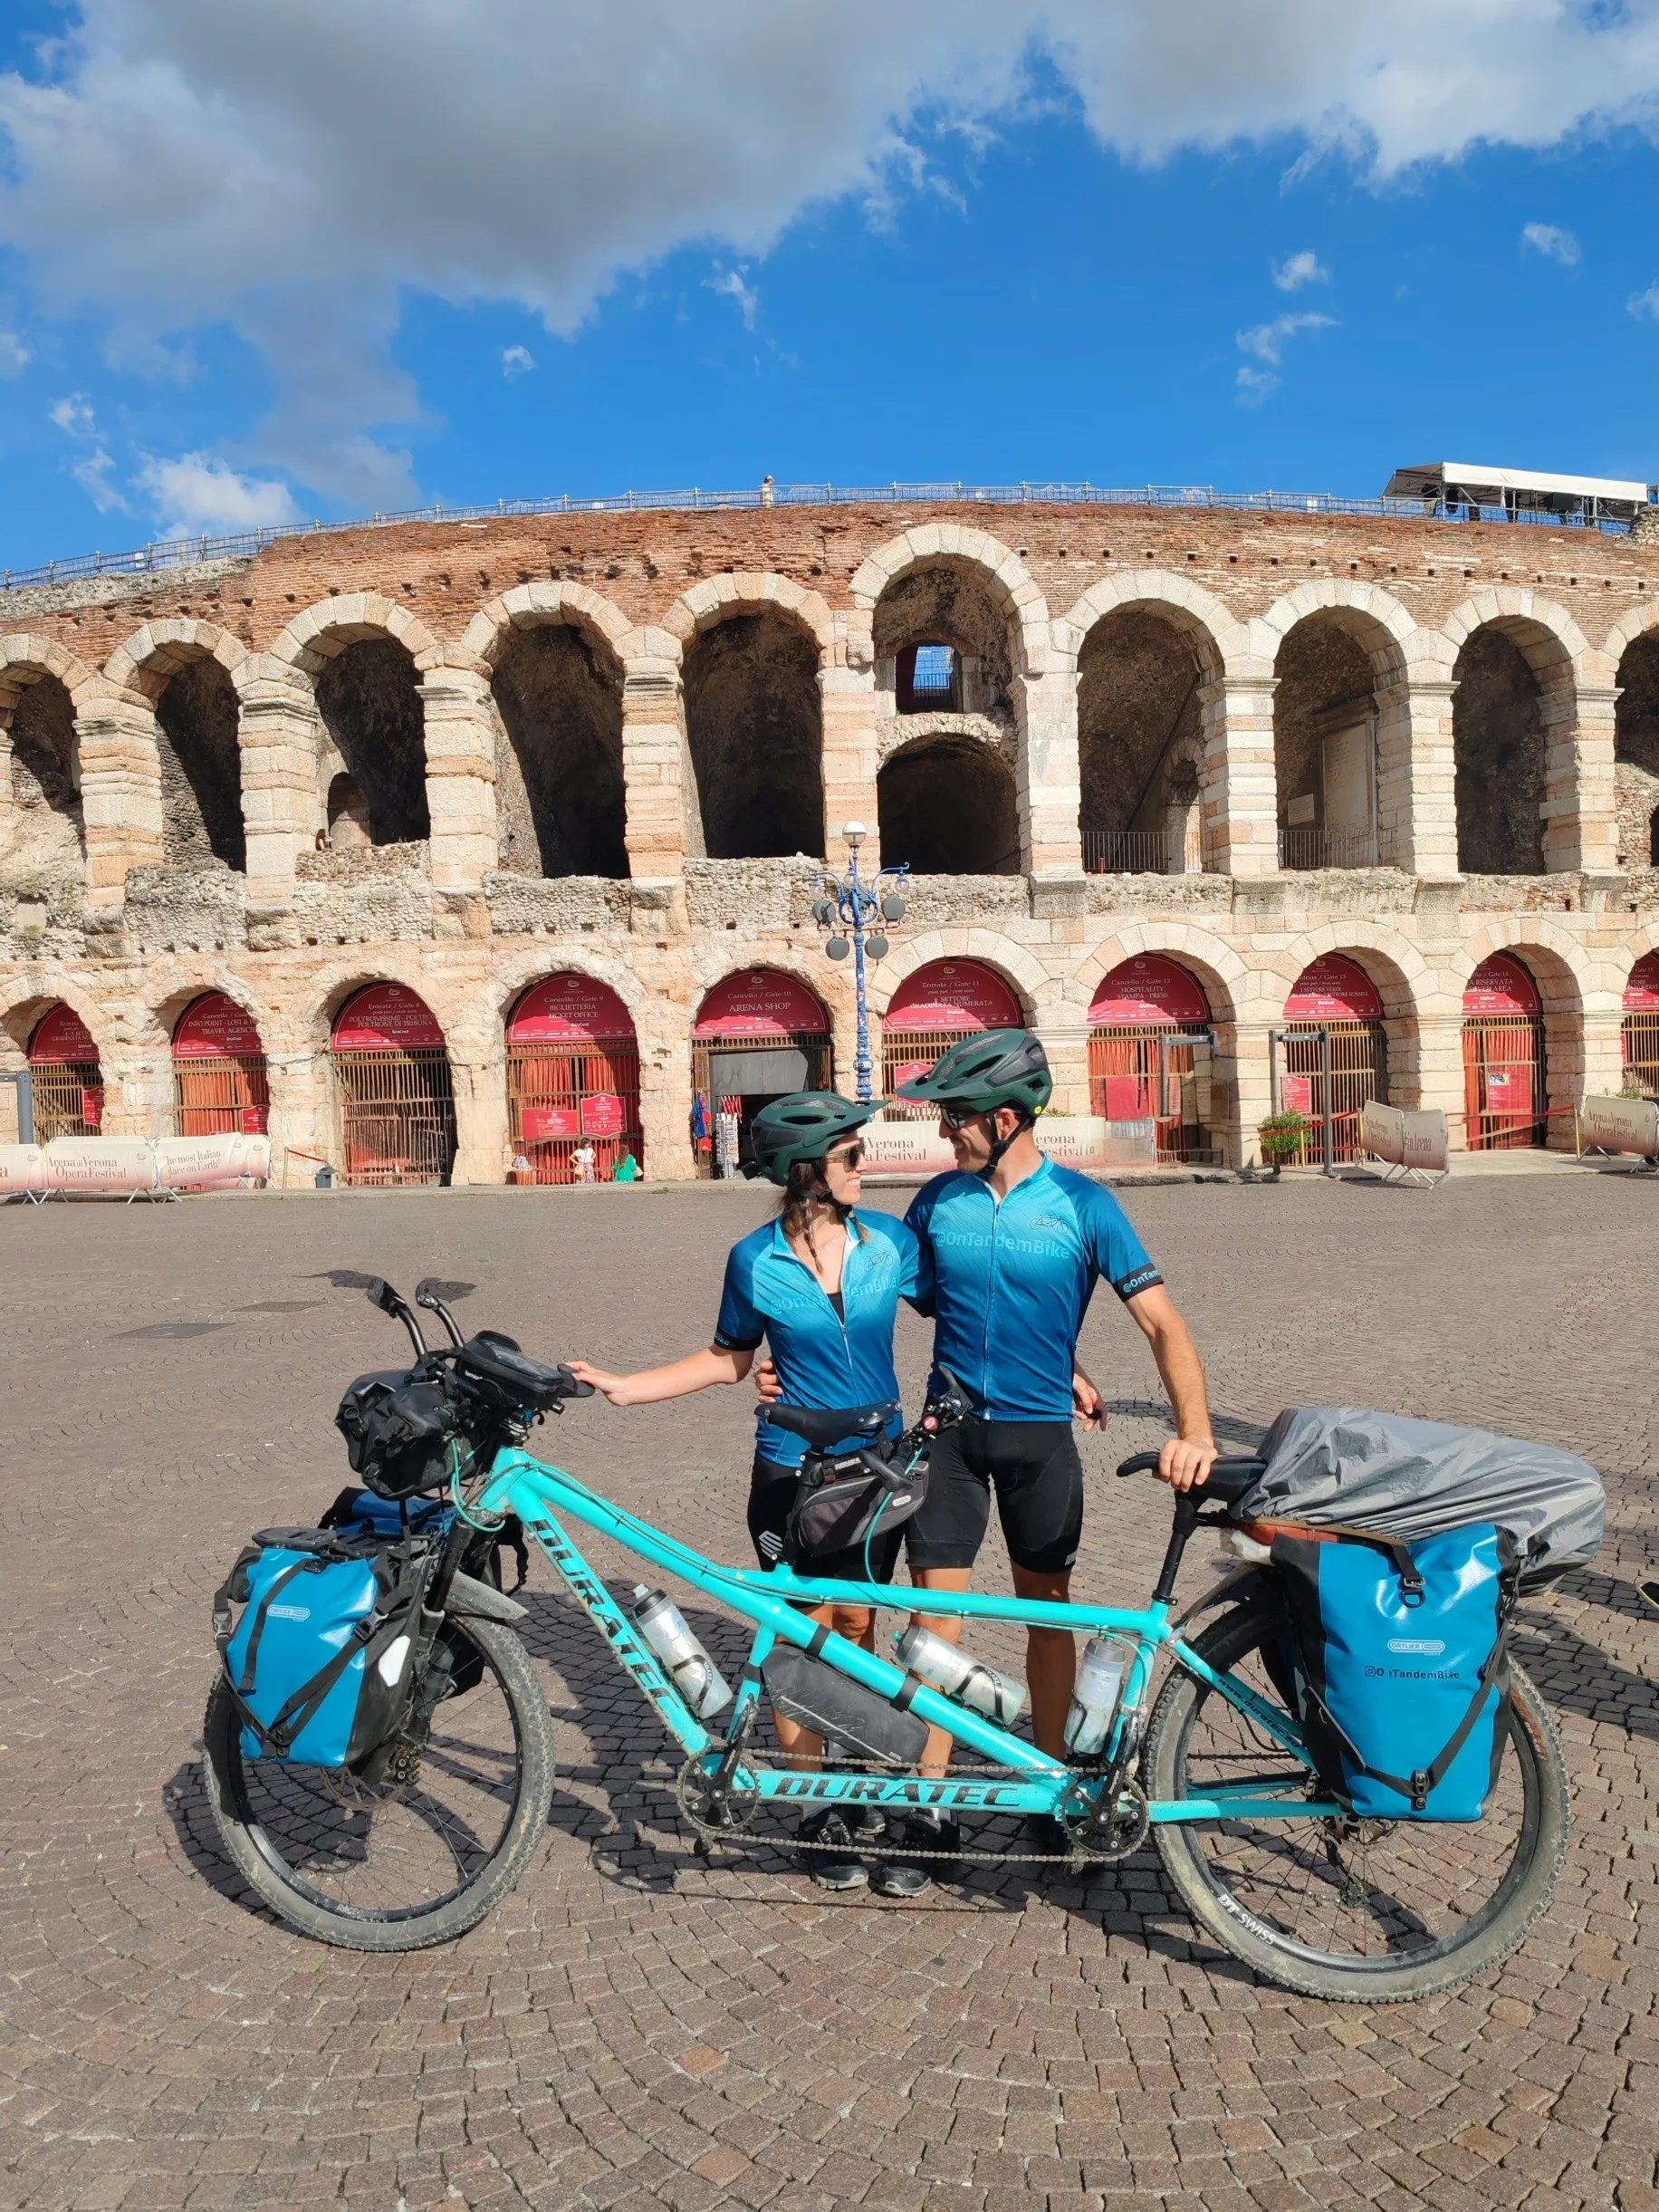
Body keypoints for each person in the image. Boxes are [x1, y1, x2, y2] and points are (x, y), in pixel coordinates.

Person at [570, 1091, 938, 1896]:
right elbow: (730, 1356)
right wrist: (630, 1388)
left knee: (857, 1627)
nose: (863, 1168)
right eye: (850, 1157)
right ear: (808, 1172)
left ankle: (861, 1781)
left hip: (875, 1469)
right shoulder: (754, 1260)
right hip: (787, 1471)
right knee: (796, 1631)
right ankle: (817, 1807)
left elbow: (962, 1305)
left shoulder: (891, 1244)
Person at [891, 1029, 1216, 1861]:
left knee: (1047, 1616)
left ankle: (1051, 1781)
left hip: (1039, 1442)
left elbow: (1161, 1322)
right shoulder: (935, 1203)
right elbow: (865, 1288)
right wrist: (774, 1366)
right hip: (952, 1438)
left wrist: (1197, 1430)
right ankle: (928, 1803)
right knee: (938, 1621)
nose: (943, 1134)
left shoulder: (1085, 1205)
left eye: (956, 1118)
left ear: (1004, 1118)